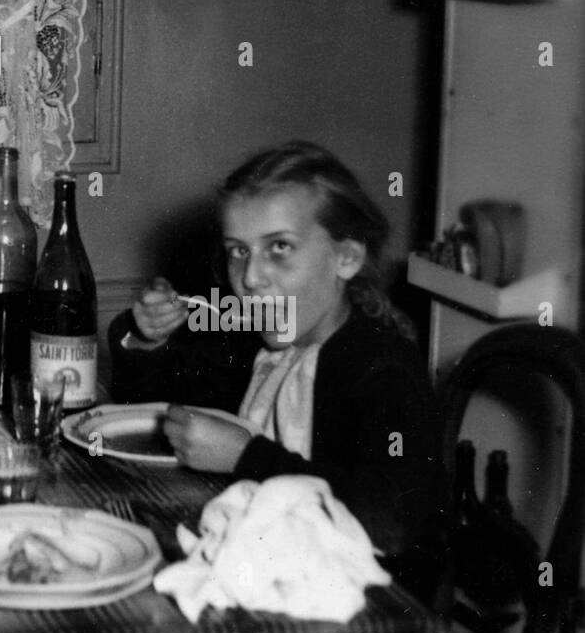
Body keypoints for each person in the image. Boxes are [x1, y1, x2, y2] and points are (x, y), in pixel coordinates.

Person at [110, 141, 446, 599]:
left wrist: (246, 457)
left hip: (356, 605)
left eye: (280, 248)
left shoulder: (383, 368)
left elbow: (389, 521)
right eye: (237, 252)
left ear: (346, 257)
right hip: (255, 575)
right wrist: (148, 339)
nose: (250, 278)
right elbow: (152, 406)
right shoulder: (249, 341)